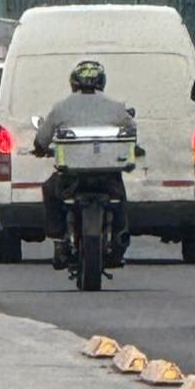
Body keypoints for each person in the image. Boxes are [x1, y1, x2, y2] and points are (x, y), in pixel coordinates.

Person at [33, 60, 135, 268]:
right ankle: (120, 239)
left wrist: (40, 149)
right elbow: (132, 130)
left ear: (73, 82)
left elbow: (41, 139)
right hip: (108, 176)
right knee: (121, 199)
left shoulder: (61, 107)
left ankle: (59, 241)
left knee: (49, 189)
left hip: (71, 178)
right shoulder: (116, 107)